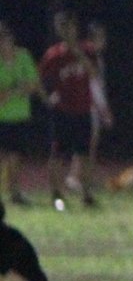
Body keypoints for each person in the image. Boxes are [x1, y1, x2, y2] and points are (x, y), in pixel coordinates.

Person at [40, 12, 98, 210]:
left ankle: (87, 195)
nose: (67, 31)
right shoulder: (53, 55)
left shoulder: (87, 50)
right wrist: (49, 98)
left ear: (76, 27)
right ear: (59, 30)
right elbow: (41, 80)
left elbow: (94, 73)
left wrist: (78, 53)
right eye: (63, 27)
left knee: (85, 154)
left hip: (83, 109)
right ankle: (56, 194)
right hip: (62, 111)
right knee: (58, 154)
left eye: (70, 26)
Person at [0, 21, 44, 205]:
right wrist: (18, 88)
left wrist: (12, 90)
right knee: (5, 156)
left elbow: (33, 84)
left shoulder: (23, 56)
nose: (3, 43)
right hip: (2, 117)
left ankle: (15, 192)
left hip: (20, 115)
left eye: (5, 39)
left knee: (16, 155)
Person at [83, 21, 112, 177]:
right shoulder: (89, 56)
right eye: (101, 38)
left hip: (93, 103)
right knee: (89, 142)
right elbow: (93, 84)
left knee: (89, 142)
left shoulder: (97, 57)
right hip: (88, 104)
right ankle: (82, 177)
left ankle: (83, 176)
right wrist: (103, 108)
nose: (104, 41)